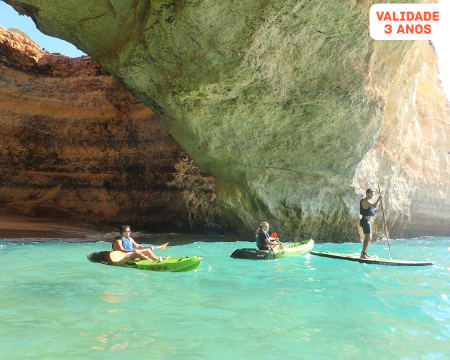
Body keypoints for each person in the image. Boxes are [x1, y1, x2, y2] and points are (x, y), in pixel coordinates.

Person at [359, 188, 382, 259]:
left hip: (367, 222)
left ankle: (365, 252)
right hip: (365, 221)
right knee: (367, 238)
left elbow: (373, 211)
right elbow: (374, 206)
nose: (372, 195)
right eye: (371, 193)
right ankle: (363, 254)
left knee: (369, 238)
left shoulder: (369, 202)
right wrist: (379, 199)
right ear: (367, 193)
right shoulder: (364, 201)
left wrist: (380, 209)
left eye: (372, 193)